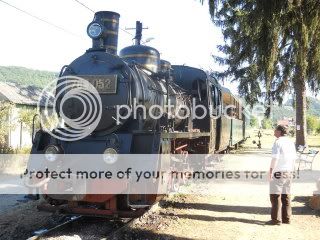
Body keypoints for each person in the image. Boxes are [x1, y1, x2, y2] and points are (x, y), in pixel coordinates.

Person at [268, 125, 296, 225]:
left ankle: (276, 220)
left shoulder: (278, 142)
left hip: (279, 172)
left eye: (275, 130)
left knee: (275, 196)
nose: (274, 131)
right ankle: (287, 218)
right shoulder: (290, 142)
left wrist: (271, 171)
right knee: (286, 196)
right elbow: (293, 159)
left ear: (279, 131)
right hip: (289, 172)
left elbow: (275, 158)